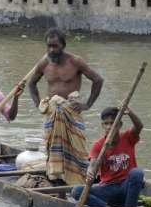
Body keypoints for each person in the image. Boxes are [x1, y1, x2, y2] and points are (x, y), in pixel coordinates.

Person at [28, 28, 104, 184]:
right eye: (48, 46)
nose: (51, 50)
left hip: (72, 111)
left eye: (55, 46)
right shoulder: (44, 63)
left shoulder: (75, 61)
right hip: (52, 113)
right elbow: (32, 83)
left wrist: (87, 104)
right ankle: (59, 190)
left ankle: (80, 185)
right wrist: (39, 105)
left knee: (78, 151)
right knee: (54, 152)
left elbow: (98, 80)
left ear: (63, 45)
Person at [71, 106, 145, 207]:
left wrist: (130, 113)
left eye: (113, 123)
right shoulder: (98, 145)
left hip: (126, 188)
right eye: (106, 124)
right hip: (108, 189)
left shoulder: (128, 137)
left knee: (137, 173)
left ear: (119, 125)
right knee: (77, 191)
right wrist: (90, 172)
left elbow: (139, 126)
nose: (109, 127)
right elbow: (93, 163)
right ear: (103, 125)